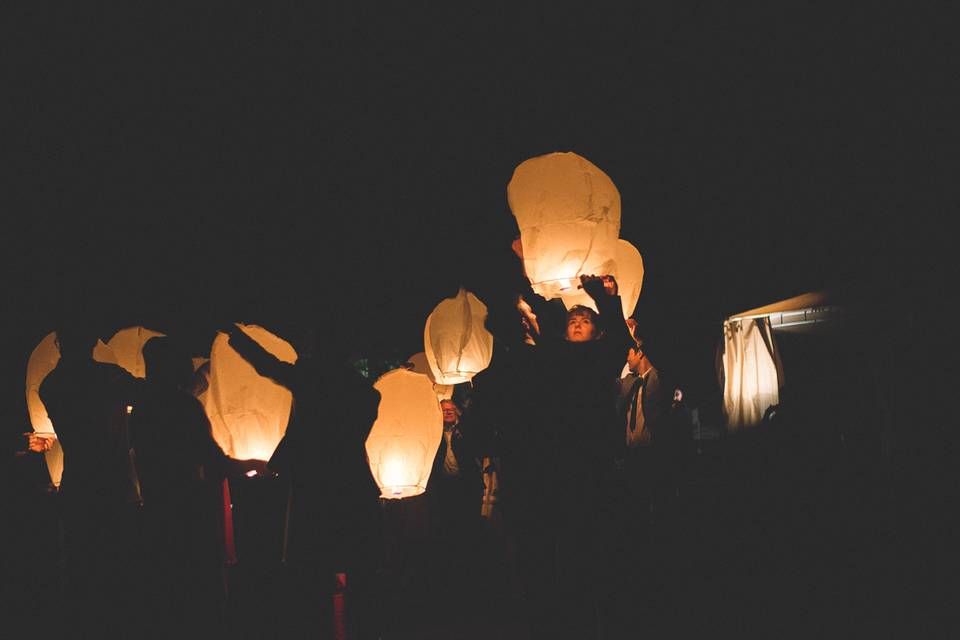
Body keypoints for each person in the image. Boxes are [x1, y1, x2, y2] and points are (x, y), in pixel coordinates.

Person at [220, 322, 382, 639]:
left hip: (314, 485)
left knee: (311, 566)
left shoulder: (311, 380)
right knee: (357, 566)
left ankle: (316, 627)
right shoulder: (365, 394)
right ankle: (360, 627)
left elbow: (267, 365)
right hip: (352, 483)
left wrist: (237, 337)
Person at [131, 336, 264, 637]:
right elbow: (213, 460)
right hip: (189, 513)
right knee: (199, 595)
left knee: (168, 598)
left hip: (156, 510)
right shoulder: (184, 408)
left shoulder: (142, 408)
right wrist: (254, 464)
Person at [39, 322, 144, 636]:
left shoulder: (51, 384)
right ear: (92, 343)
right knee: (115, 562)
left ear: (59, 345)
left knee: (80, 564)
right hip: (111, 482)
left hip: (77, 482)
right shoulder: (109, 377)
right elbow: (149, 396)